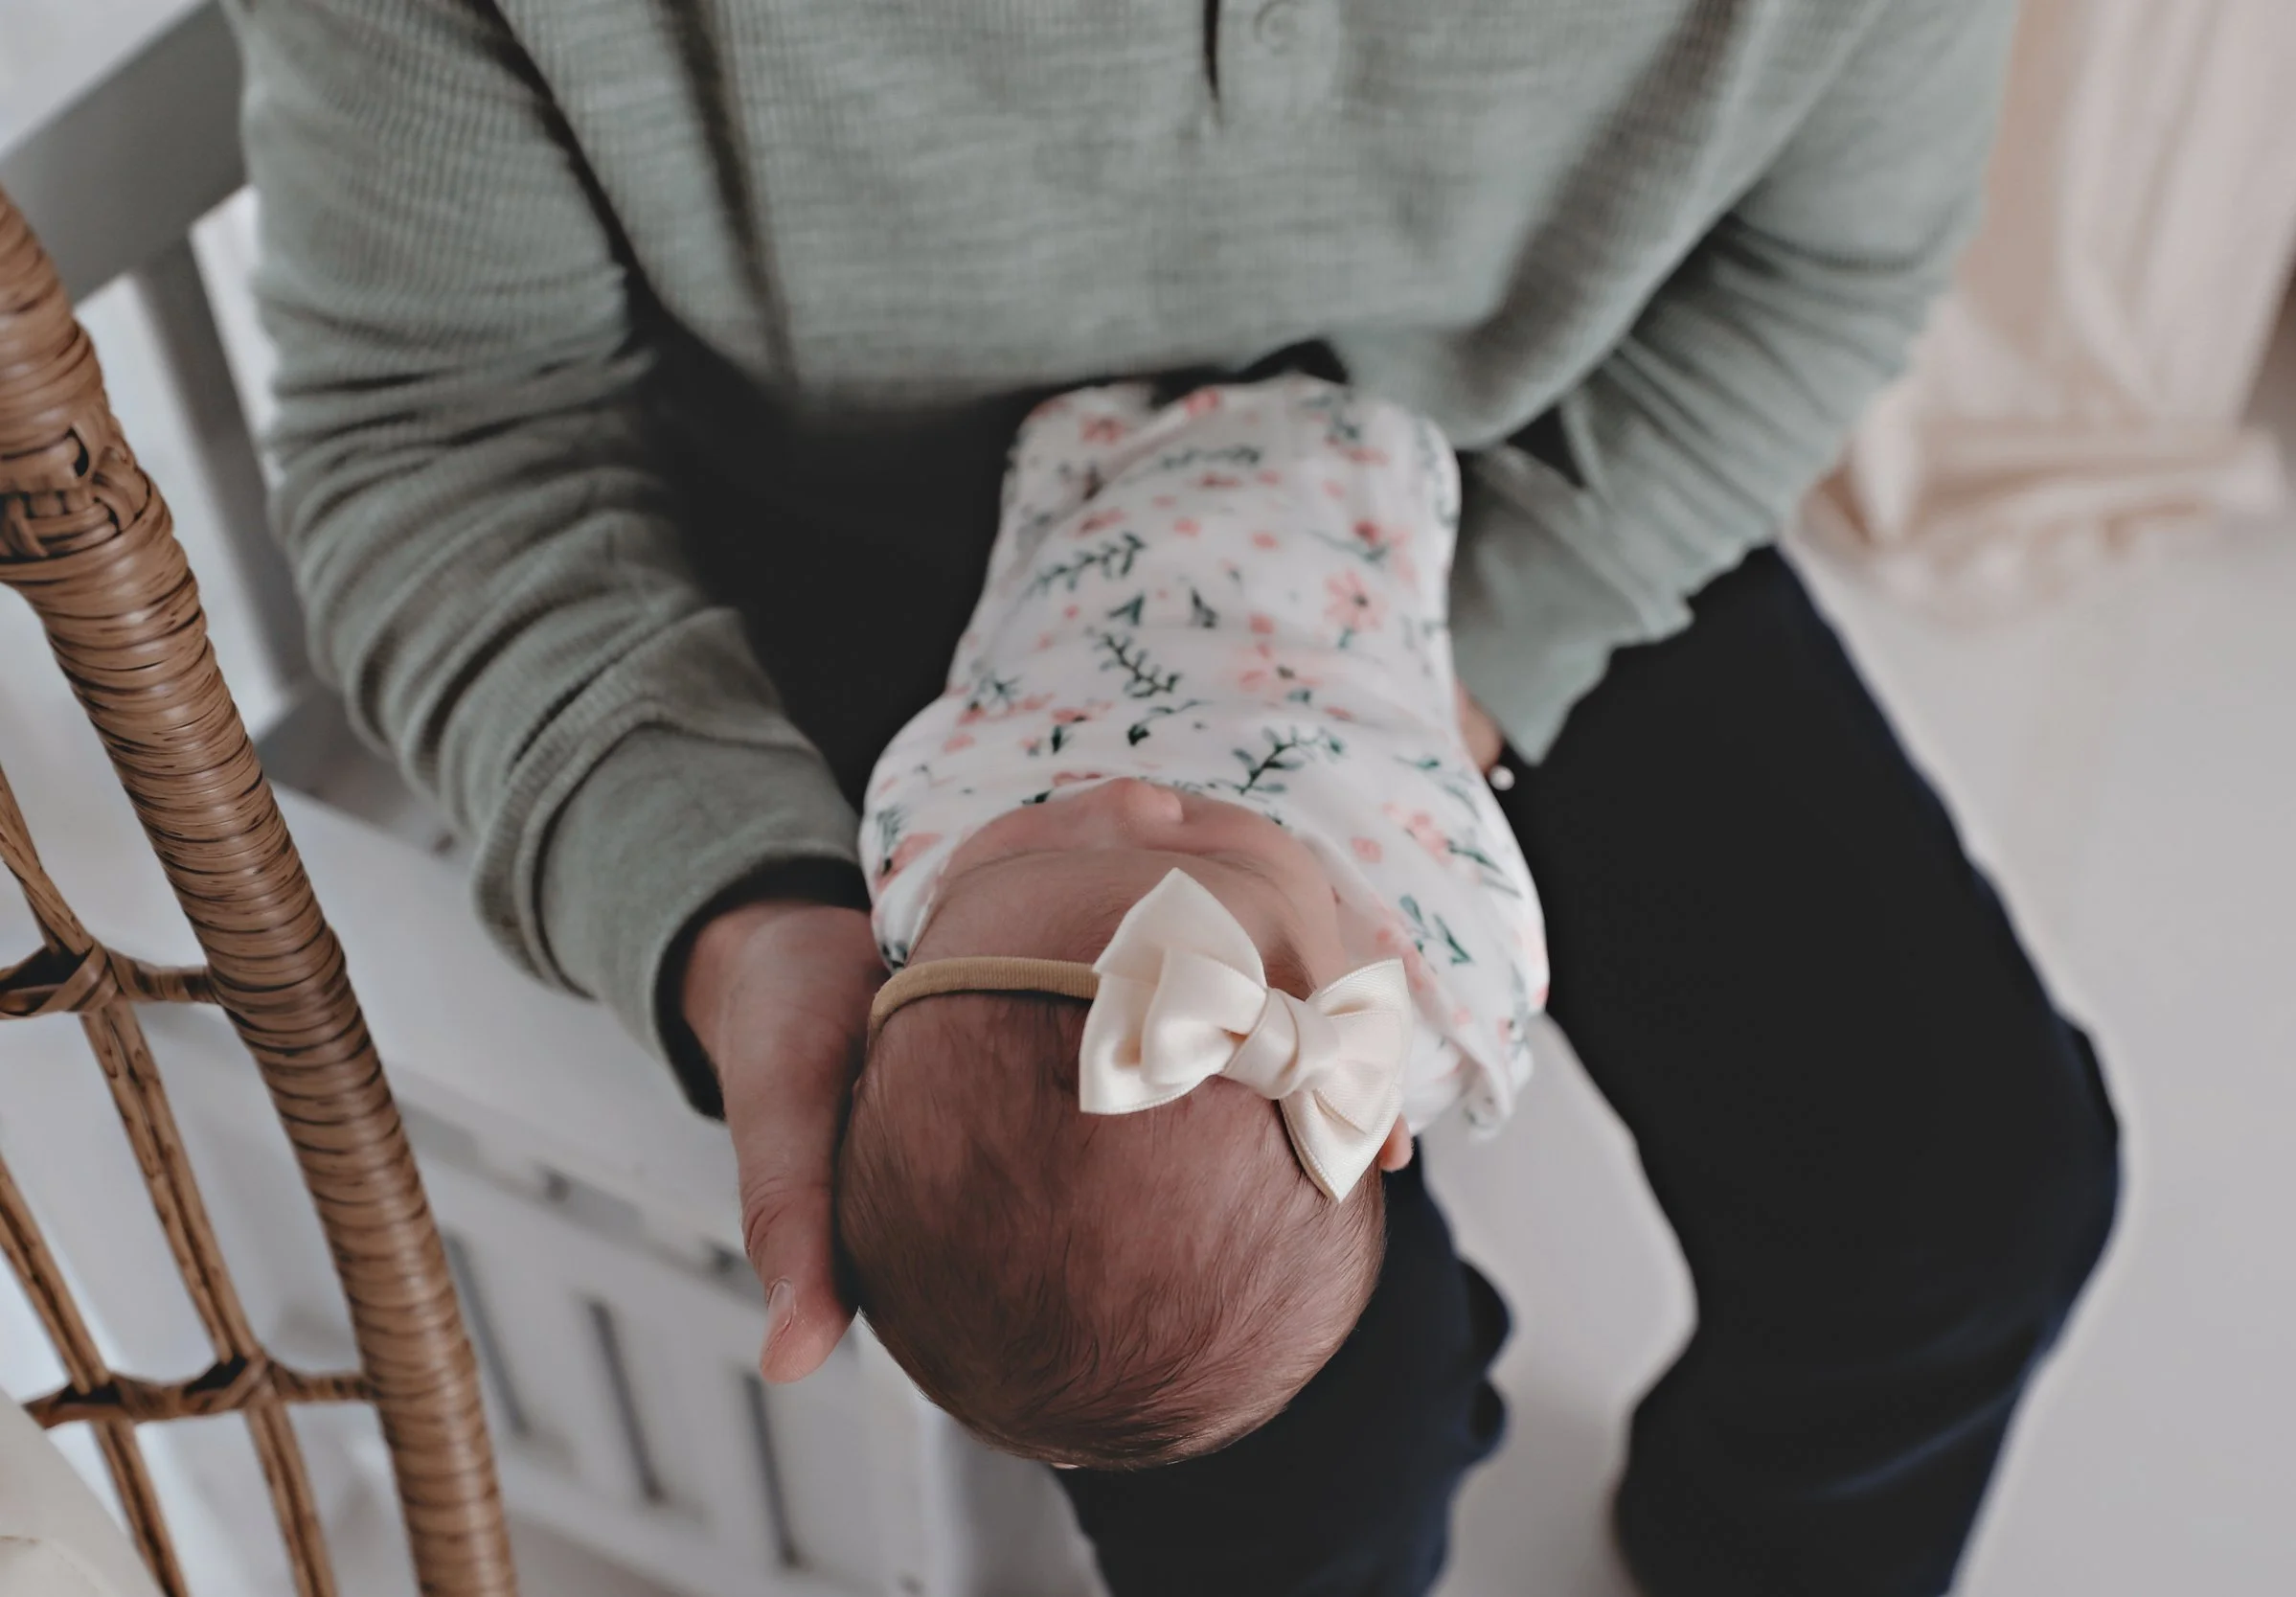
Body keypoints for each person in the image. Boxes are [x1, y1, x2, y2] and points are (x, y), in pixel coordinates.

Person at [232, 1, 2120, 1591]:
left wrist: (1427, 690)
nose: (1151, 819)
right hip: (898, 552)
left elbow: (1824, 266)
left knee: (1964, 1198)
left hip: (1496, 488)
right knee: (1281, 1458)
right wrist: (727, 897)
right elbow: (440, 426)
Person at [839, 376, 1543, 1469]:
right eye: (1210, 850)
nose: (1131, 797)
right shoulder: (1443, 946)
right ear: (1369, 1094)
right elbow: (1475, 937)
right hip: (1333, 506)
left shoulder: (924, 825)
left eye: (1032, 834)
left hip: (1097, 505)